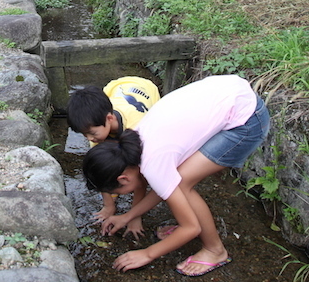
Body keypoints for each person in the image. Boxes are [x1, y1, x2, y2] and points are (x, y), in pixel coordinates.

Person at [81, 74, 270, 277]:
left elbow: (191, 227)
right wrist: (128, 216)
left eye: (120, 192)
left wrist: (148, 253)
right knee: (178, 182)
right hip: (228, 91)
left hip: (247, 119)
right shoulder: (132, 139)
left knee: (182, 186)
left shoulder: (153, 164)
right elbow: (163, 187)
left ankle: (215, 251)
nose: (127, 194)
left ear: (123, 179)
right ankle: (195, 231)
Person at [67, 76, 160, 236]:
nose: (89, 139)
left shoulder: (139, 130)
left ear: (109, 119)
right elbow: (100, 169)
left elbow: (140, 179)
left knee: (140, 170)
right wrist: (109, 205)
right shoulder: (98, 127)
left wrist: (134, 217)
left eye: (91, 133)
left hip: (147, 90)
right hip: (116, 87)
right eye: (84, 134)